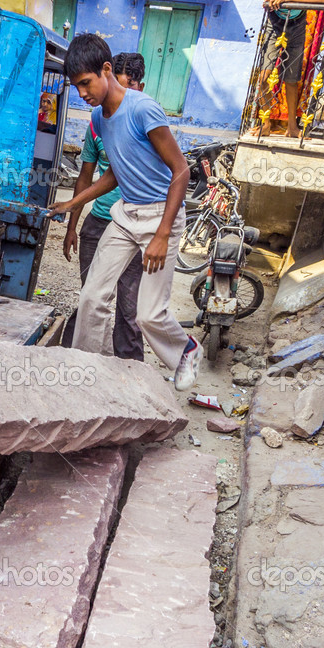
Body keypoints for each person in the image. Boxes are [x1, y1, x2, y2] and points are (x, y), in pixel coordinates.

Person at [51, 34, 201, 392]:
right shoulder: (99, 119)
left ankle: (186, 349)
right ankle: (90, 374)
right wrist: (74, 203)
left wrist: (164, 233)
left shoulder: (141, 108)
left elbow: (181, 169)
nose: (83, 92)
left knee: (148, 314)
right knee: (92, 297)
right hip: (125, 216)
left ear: (107, 70)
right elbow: (116, 172)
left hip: (159, 218)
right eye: (76, 87)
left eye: (86, 83)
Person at [61, 51, 148, 361]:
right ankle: (86, 368)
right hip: (98, 224)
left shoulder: (145, 120)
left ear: (139, 87)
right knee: (92, 302)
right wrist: (72, 225)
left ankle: (131, 376)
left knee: (129, 307)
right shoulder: (99, 122)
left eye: (130, 86)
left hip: (134, 224)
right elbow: (86, 176)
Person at [249, 0, 324, 138]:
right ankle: (266, 123)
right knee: (264, 77)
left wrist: (289, 1)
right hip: (275, 24)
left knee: (291, 79)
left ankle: (292, 127)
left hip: (297, 26)